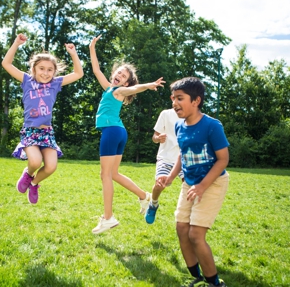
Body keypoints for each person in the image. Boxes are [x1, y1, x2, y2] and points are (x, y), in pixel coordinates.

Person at [89, 35, 165, 234]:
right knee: (113, 174)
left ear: (126, 83)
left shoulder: (119, 92)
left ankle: (108, 217)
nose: (119, 76)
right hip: (119, 132)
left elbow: (134, 88)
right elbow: (96, 69)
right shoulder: (109, 88)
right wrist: (92, 47)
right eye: (118, 73)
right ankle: (143, 196)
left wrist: (147, 86)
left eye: (123, 76)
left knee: (105, 175)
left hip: (112, 132)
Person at [157, 77, 229, 287]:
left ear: (196, 101)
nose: (174, 103)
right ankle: (196, 276)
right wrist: (170, 177)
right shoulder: (179, 126)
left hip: (212, 183)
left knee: (196, 234)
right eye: (173, 99)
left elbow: (223, 159)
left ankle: (214, 283)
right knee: (181, 228)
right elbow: (182, 154)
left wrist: (203, 186)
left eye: (180, 98)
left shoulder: (212, 126)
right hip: (190, 183)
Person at [2, 33, 84, 204]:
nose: (45, 73)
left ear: (54, 72)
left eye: (50, 70)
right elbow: (6, 63)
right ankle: (28, 174)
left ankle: (34, 183)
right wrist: (16, 43)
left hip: (47, 133)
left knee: (51, 166)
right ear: (34, 69)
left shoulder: (55, 84)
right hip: (30, 131)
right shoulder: (26, 80)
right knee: (35, 160)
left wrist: (73, 54)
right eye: (41, 68)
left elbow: (78, 73)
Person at [145, 108, 184, 224]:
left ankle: (186, 214)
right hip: (166, 157)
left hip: (184, 158)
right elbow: (154, 136)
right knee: (160, 184)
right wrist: (158, 138)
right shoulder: (166, 114)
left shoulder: (192, 116)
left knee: (189, 185)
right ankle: (153, 204)